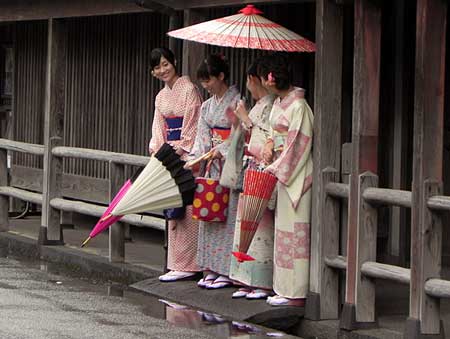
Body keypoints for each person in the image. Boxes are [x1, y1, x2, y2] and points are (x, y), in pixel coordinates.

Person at [258, 54, 313, 306]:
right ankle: (282, 288)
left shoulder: (299, 106)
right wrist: (269, 144)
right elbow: (273, 132)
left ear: (271, 79)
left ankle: (296, 293)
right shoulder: (281, 103)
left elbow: (298, 145)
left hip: (296, 176)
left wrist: (277, 166)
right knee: (283, 234)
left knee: (296, 234)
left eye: (264, 78)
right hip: (281, 171)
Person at [148, 47, 202, 282]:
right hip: (169, 155)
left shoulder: (189, 90)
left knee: (188, 210)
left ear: (174, 62)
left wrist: (180, 149)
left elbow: (193, 125)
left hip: (187, 156)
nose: (162, 70)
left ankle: (190, 265)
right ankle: (176, 263)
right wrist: (160, 152)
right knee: (173, 209)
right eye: (157, 67)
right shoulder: (160, 97)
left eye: (165, 64)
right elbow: (158, 129)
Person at [189, 54, 240, 289]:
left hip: (228, 167)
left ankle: (226, 270)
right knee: (209, 215)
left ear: (221, 76)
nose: (206, 86)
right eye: (203, 82)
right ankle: (209, 267)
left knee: (226, 217)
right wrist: (196, 157)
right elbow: (202, 137)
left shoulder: (237, 103)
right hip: (210, 165)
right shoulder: (207, 106)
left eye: (208, 80)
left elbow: (240, 136)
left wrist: (221, 149)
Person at [228, 58, 276, 300]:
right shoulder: (260, 106)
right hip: (251, 170)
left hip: (263, 169)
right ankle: (245, 278)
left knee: (260, 228)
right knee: (246, 225)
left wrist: (246, 120)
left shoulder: (271, 106)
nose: (248, 85)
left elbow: (269, 139)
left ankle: (260, 281)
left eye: (250, 79)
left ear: (255, 80)